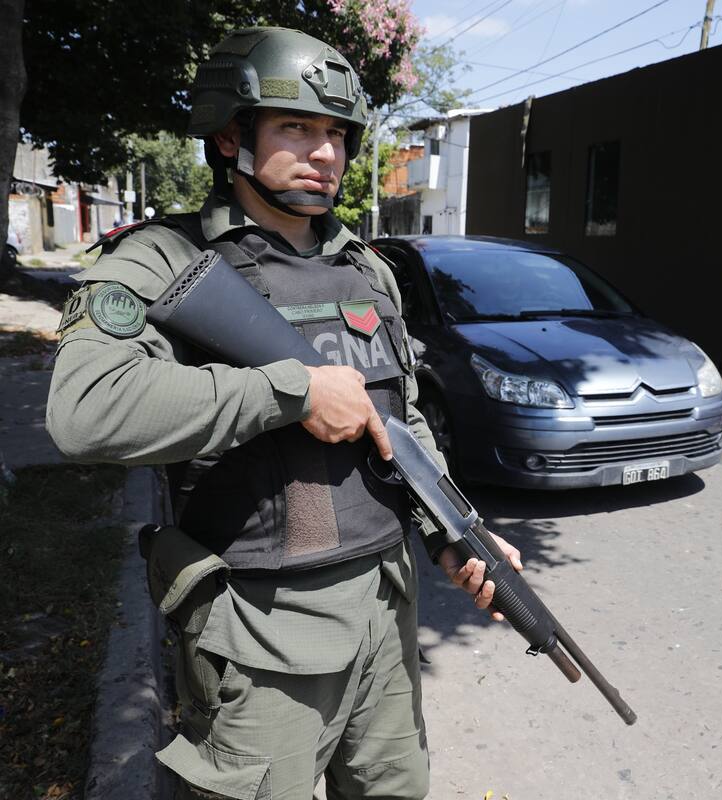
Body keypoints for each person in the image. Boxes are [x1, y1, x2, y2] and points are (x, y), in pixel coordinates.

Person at [46, 27, 519, 800]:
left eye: (336, 133)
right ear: (233, 135)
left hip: (386, 614)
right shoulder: (164, 262)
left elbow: (403, 423)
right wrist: (289, 391)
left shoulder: (366, 269)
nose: (325, 152)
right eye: (296, 127)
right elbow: (85, 412)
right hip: (259, 637)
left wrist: (453, 528)